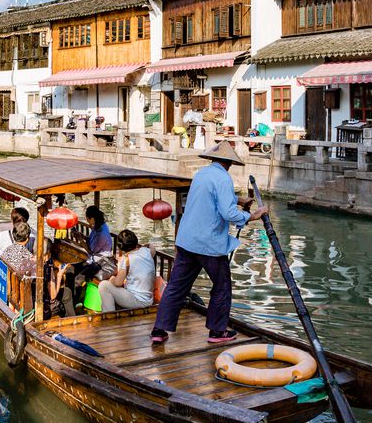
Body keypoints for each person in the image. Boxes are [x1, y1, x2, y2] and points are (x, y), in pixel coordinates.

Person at [150, 141, 268, 344]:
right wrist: (253, 216)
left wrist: (239, 200)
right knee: (222, 286)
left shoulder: (202, 174)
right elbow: (228, 212)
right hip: (209, 244)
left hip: (187, 240)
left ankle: (159, 330)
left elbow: (211, 198)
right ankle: (217, 331)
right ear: (229, 162)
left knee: (177, 287)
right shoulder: (223, 178)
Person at [98, 230, 155, 312]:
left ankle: (109, 315)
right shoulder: (146, 251)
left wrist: (112, 279)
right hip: (149, 299)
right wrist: (148, 245)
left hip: (138, 301)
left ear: (121, 247)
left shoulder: (126, 260)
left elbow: (118, 283)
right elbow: (153, 249)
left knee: (103, 285)